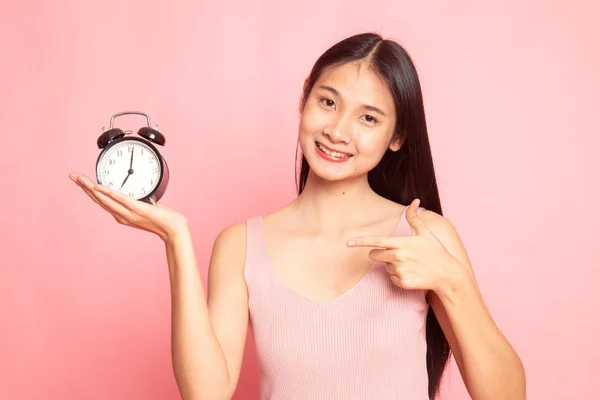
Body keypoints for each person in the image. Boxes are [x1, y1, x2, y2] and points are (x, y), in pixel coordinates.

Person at [70, 32, 526, 400]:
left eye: (368, 118)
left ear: (397, 136)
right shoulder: (241, 245)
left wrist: (452, 282)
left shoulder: (424, 235)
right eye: (328, 102)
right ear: (304, 99)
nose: (338, 130)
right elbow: (205, 393)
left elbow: (506, 396)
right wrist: (176, 238)